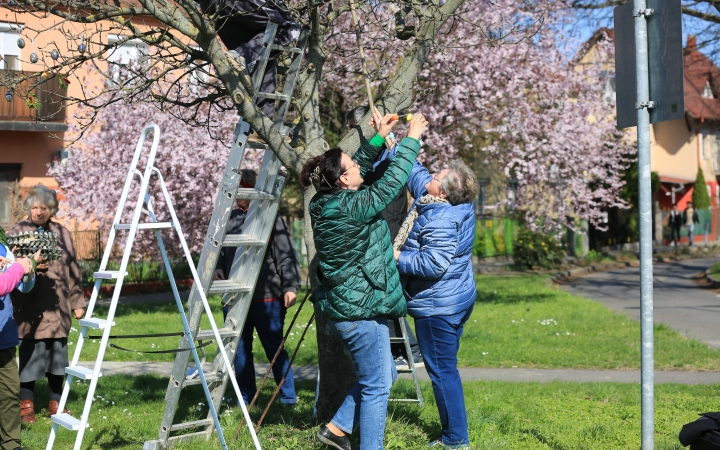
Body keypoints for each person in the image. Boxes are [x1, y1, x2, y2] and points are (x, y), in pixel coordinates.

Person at [302, 110, 427, 450]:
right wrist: (411, 137)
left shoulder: (323, 202)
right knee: (377, 386)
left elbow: (354, 164)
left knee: (383, 374)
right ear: (343, 180)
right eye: (353, 167)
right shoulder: (353, 206)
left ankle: (337, 429)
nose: (359, 166)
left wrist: (378, 136)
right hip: (361, 312)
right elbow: (391, 181)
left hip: (350, 307)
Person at [393, 159, 479, 450]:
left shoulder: (441, 218)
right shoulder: (452, 202)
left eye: (437, 175)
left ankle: (456, 440)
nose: (431, 174)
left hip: (437, 307)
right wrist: (396, 143)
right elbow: (417, 175)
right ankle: (454, 433)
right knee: (447, 369)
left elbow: (433, 264)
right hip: (457, 297)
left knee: (443, 372)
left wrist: (396, 258)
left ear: (442, 192)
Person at [213, 169, 301, 407]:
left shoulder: (270, 217)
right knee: (239, 351)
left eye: (243, 186)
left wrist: (290, 286)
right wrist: (219, 267)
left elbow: (285, 255)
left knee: (275, 349)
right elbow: (221, 250)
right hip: (235, 297)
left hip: (267, 298)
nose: (239, 192)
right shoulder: (227, 218)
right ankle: (245, 398)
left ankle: (288, 398)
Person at [345, 106, 423, 370]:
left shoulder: (384, 158)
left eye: (353, 129)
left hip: (388, 233)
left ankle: (409, 348)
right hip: (383, 233)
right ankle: (407, 348)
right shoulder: (377, 153)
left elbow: (365, 168)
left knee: (387, 294)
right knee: (387, 293)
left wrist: (385, 138)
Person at [10, 185, 86, 423]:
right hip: (29, 307)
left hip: (59, 307)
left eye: (43, 207)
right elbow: (8, 267)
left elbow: (74, 271)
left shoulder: (63, 233)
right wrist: (27, 265)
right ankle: (26, 405)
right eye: (34, 207)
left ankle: (57, 403)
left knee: (58, 358)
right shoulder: (18, 232)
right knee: (31, 357)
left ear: (51, 209)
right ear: (28, 208)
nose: (39, 212)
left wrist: (77, 302)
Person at [198, 0, 300, 117]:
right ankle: (239, 56)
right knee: (289, 28)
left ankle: (262, 122)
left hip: (211, 6)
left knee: (263, 52)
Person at [0, 226, 36, 450]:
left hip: (4, 335)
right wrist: (17, 268)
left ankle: (11, 444)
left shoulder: (4, 247)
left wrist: (28, 271)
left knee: (10, 393)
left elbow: (22, 285)